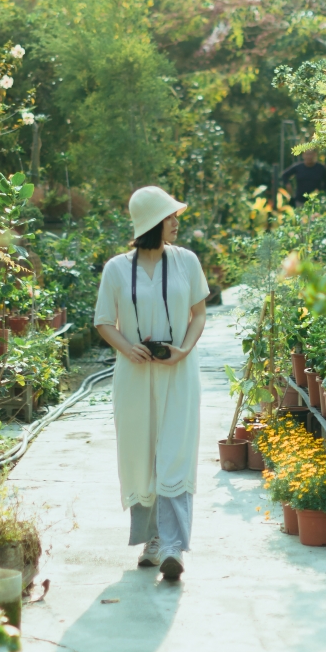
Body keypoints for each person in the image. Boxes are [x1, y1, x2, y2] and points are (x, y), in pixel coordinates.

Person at [93, 186, 210, 581]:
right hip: (134, 375)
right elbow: (104, 322)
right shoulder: (115, 269)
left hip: (179, 371)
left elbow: (198, 313)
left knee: (176, 451)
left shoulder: (187, 262)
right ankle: (152, 541)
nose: (177, 222)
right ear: (153, 223)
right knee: (140, 453)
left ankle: (174, 546)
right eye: (170, 217)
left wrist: (184, 349)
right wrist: (128, 348)